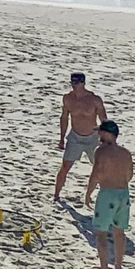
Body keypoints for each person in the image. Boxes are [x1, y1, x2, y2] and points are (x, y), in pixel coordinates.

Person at [83, 120, 135, 269]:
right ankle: (118, 267)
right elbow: (130, 175)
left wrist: (88, 193)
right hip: (124, 194)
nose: (98, 135)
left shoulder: (101, 151)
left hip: (108, 194)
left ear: (106, 134)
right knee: (119, 233)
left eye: (100, 132)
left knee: (101, 234)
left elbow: (96, 173)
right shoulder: (125, 152)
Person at [53, 72, 109, 201]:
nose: (74, 85)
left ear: (83, 83)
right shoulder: (68, 98)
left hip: (92, 138)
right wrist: (61, 138)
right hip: (75, 137)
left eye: (76, 83)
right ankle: (56, 195)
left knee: (100, 168)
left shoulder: (94, 99)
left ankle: (105, 195)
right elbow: (64, 118)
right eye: (72, 82)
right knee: (65, 166)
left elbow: (104, 120)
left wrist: (106, 139)